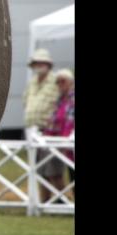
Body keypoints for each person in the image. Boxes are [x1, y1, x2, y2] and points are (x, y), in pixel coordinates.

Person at [39, 68, 75, 202]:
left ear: (71, 82)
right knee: (54, 173)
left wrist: (64, 140)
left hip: (68, 144)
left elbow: (70, 123)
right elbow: (53, 122)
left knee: (67, 175)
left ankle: (64, 202)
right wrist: (46, 136)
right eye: (57, 82)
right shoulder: (60, 100)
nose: (60, 84)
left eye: (63, 81)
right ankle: (62, 202)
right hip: (59, 144)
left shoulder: (72, 99)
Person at [23, 48, 59, 133]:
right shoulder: (31, 82)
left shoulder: (57, 80)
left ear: (48, 64)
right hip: (30, 128)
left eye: (42, 62)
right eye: (36, 62)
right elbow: (25, 101)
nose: (39, 65)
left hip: (49, 129)